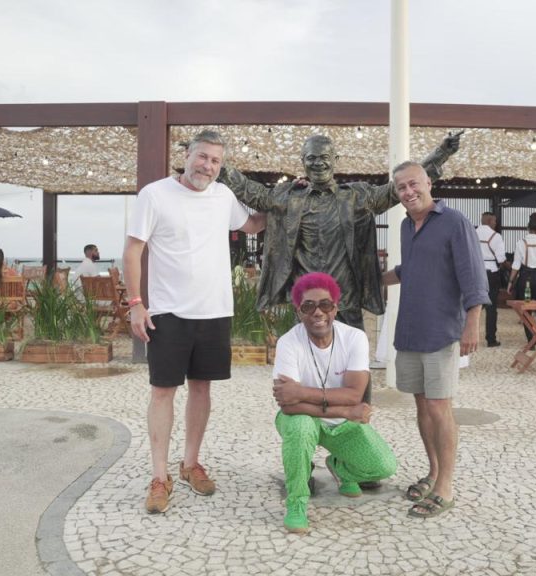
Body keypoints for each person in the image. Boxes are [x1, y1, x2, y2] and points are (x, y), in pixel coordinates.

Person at [124, 130, 266, 515]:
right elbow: (133, 250)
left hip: (214, 310)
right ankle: (159, 476)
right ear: (187, 154)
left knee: (202, 389)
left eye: (215, 161)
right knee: (162, 391)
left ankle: (190, 464)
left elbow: (253, 225)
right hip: (168, 312)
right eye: (202, 157)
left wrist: (285, 200)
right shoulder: (155, 194)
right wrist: (136, 304)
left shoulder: (223, 196)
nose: (207, 166)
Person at [218, 132, 462, 331]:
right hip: (306, 302)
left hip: (346, 301)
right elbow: (252, 192)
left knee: (352, 366)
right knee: (306, 366)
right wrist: (215, 163)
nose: (318, 163)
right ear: (303, 161)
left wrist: (440, 154)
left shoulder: (356, 197)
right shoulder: (289, 198)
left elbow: (394, 189)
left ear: (335, 159)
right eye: (311, 158)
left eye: (324, 157)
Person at [381, 161, 488, 519]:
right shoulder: (405, 226)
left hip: (441, 330)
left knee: (440, 407)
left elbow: (473, 275)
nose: (408, 192)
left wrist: (472, 323)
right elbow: (409, 270)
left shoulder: (454, 222)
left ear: (429, 182)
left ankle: (446, 487)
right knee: (422, 406)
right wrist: (372, 279)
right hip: (410, 329)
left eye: (413, 184)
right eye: (401, 188)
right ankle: (433, 472)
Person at [272, 272, 397, 534]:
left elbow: (354, 395)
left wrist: (302, 392)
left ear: (335, 308)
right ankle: (297, 502)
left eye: (325, 305)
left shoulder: (354, 338)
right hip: (304, 417)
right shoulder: (288, 343)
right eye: (308, 306)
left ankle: (340, 467)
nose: (318, 312)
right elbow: (288, 405)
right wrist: (347, 411)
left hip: (341, 422)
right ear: (298, 312)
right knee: (300, 426)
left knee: (383, 466)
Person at [507, 213, 536, 344]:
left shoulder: (521, 243)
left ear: (528, 227)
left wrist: (510, 282)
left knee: (526, 310)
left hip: (525, 279)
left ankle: (531, 340)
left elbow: (516, 265)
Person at [476, 212, 507, 347]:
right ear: (489, 221)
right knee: (491, 307)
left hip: (475, 272)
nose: (495, 223)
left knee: (472, 304)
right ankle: (491, 339)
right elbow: (501, 259)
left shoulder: (472, 233)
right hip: (491, 273)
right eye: (494, 221)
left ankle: (461, 333)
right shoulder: (496, 236)